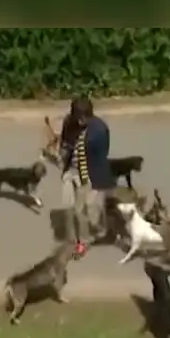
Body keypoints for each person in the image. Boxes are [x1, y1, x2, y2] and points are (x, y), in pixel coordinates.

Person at [59, 96, 113, 253]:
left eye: (83, 118)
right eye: (77, 118)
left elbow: (102, 156)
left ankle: (85, 239)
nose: (80, 121)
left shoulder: (100, 129)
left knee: (82, 211)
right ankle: (71, 239)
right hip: (70, 170)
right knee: (67, 207)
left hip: (87, 173)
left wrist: (97, 184)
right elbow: (65, 143)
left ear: (89, 116)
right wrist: (63, 157)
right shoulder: (69, 123)